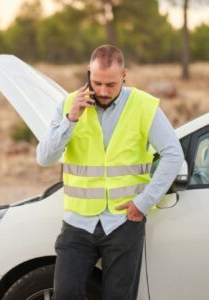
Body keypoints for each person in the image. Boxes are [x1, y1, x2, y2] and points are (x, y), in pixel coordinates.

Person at [36, 44, 184, 300]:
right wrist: (71, 119)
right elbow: (44, 157)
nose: (103, 91)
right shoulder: (68, 105)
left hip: (124, 223)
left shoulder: (144, 106)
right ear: (88, 75)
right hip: (77, 223)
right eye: (97, 83)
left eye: (111, 85)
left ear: (124, 75)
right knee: (66, 295)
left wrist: (144, 202)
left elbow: (173, 154)